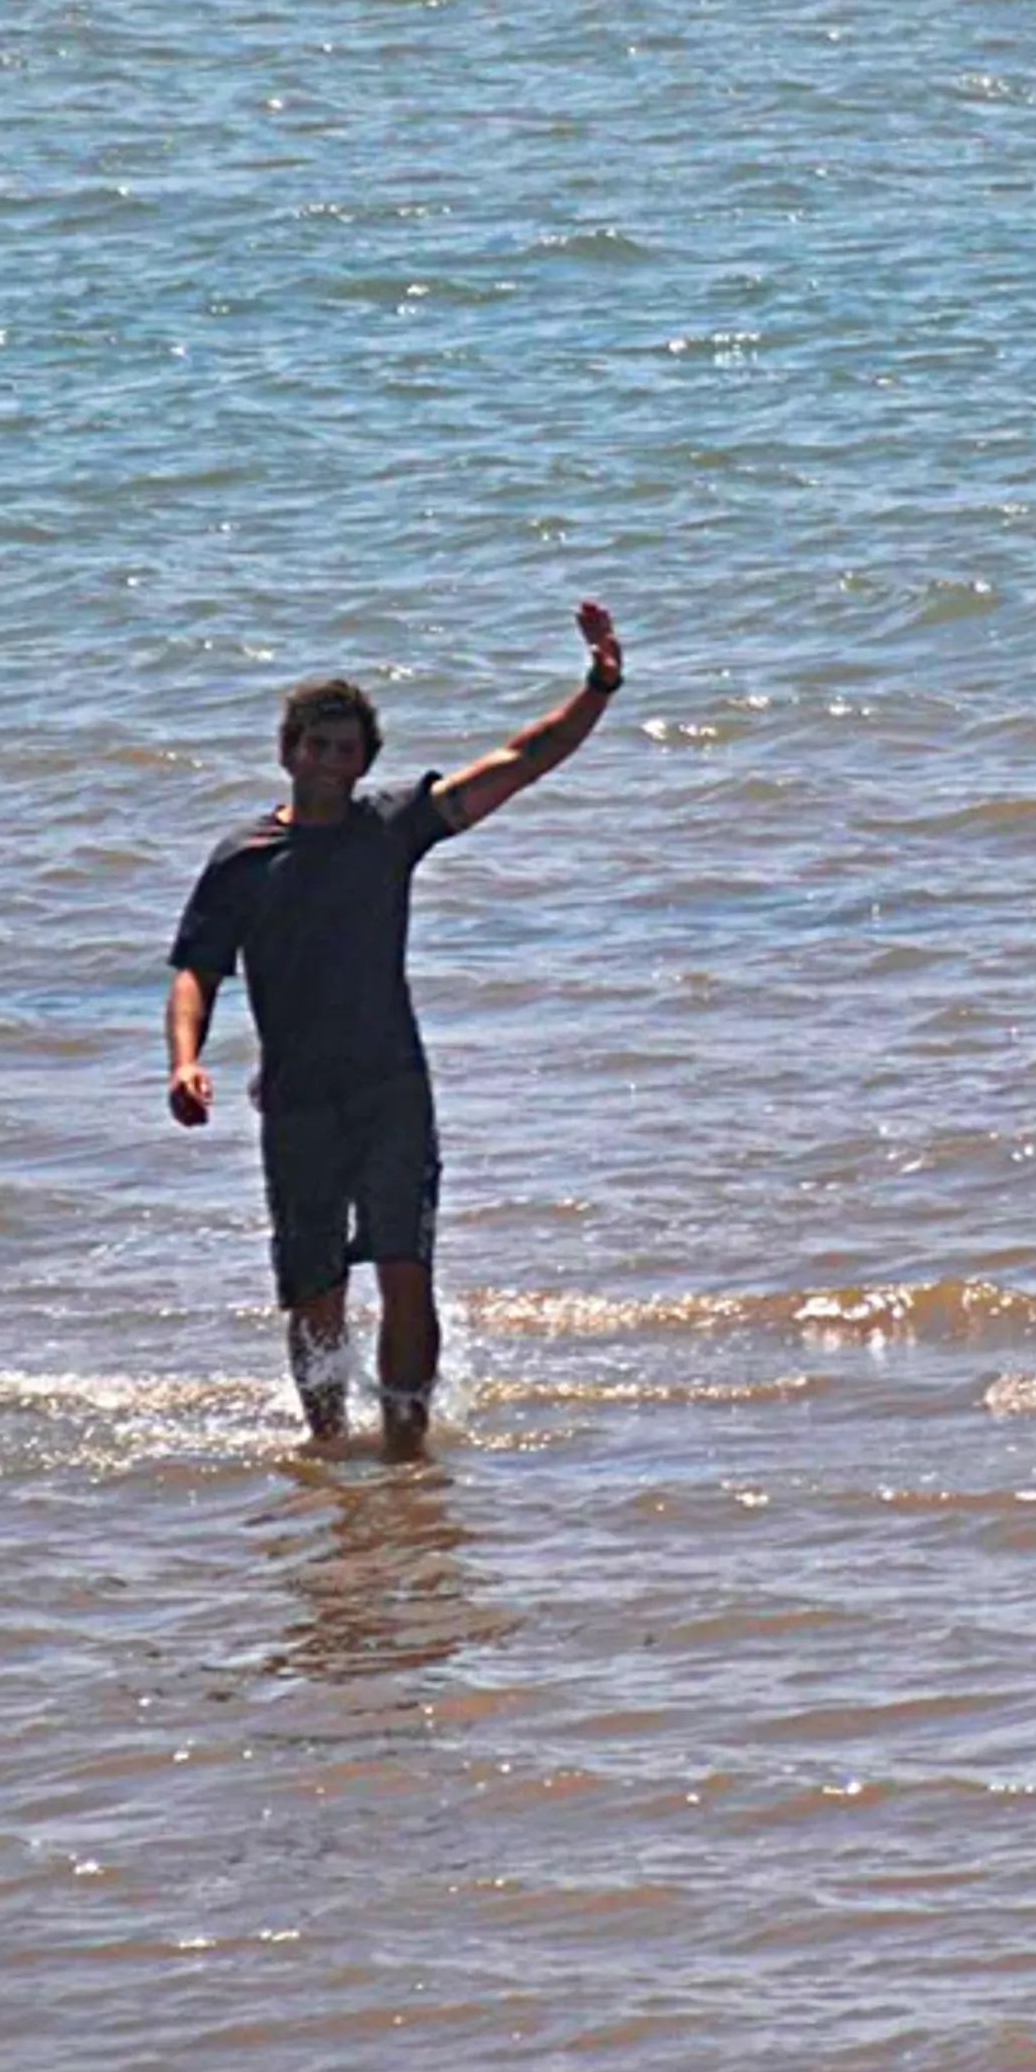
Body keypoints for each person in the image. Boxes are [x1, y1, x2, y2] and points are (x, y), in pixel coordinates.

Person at [165, 601, 623, 1459]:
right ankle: (328, 1448)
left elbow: (519, 761)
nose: (330, 761)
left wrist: (598, 686)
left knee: (406, 1271)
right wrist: (184, 1062)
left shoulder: (389, 828)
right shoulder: (243, 860)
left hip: (391, 1089)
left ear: (365, 761)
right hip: (297, 1101)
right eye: (317, 745)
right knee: (314, 1289)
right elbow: (196, 971)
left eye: (347, 750)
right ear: (287, 750)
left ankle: (406, 1449)